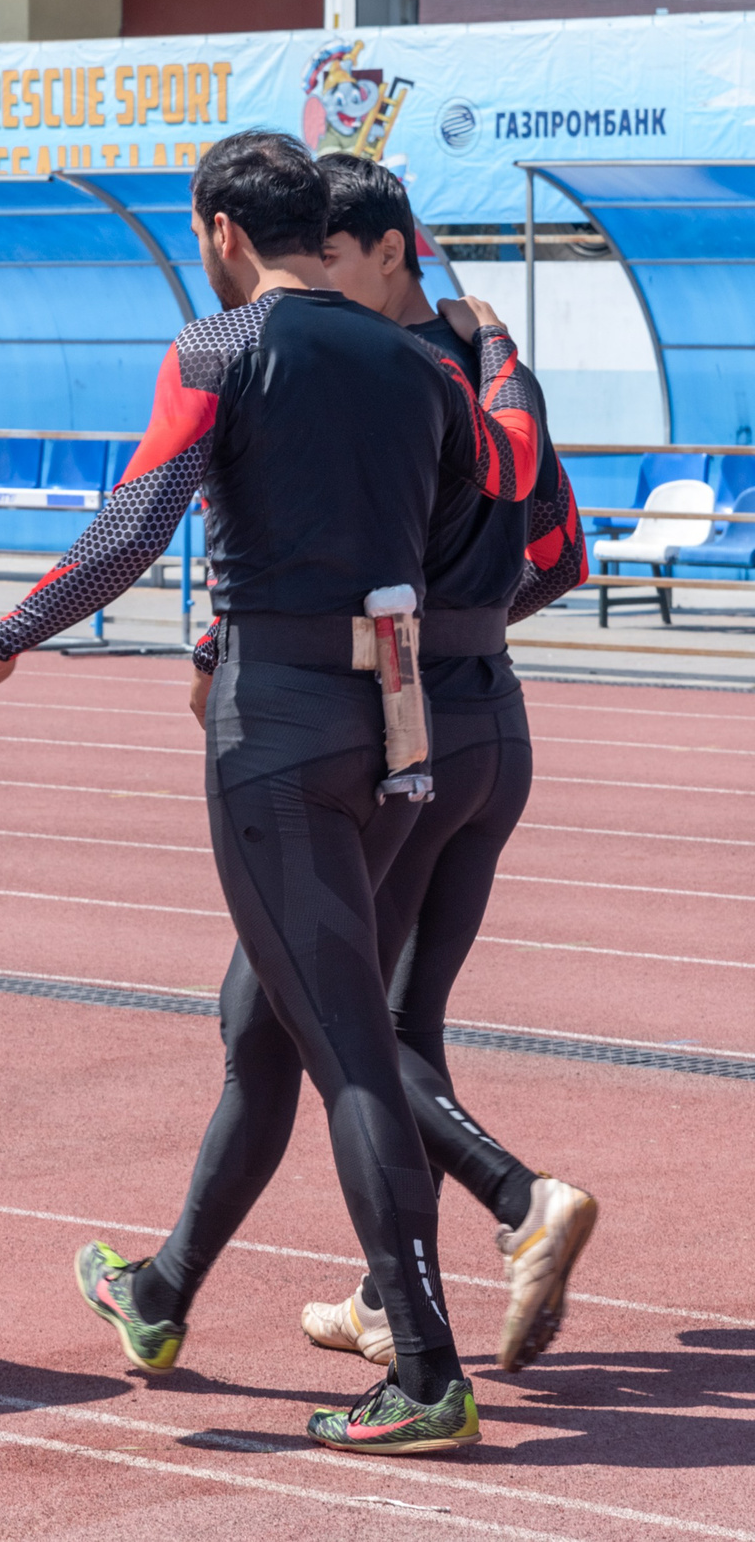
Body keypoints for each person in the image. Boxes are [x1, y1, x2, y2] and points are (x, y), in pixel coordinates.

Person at [0, 131, 536, 1454]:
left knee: (352, 1050)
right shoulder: (423, 366)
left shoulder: (218, 350)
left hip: (277, 725)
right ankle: (161, 1288)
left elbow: (139, 521)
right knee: (277, 1014)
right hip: (396, 717)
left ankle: (428, 1367)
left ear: (217, 228)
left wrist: (1, 642)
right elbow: (452, 558)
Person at [291, 157, 596, 1372]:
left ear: (387, 248)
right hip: (494, 714)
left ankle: (522, 1200)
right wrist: (474, 630)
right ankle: (383, 1286)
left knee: (341, 1017)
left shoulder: (400, 375)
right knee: (401, 1013)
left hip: (410, 730)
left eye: (326, 257)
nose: (311, 280)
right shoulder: (477, 356)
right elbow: (563, 552)